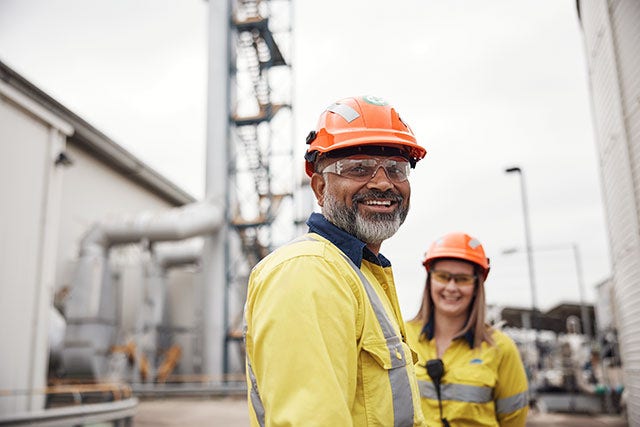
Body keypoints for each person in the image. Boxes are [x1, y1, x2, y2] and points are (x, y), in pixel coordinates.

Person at [244, 95, 427, 426]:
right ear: (319, 187)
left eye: (396, 169)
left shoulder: (360, 273)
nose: (384, 183)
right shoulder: (308, 272)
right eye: (359, 167)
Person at [405, 232, 529, 426]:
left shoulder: (501, 349)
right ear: (430, 280)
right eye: (443, 276)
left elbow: (513, 420)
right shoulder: (402, 337)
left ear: (477, 285)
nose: (452, 287)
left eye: (462, 279)